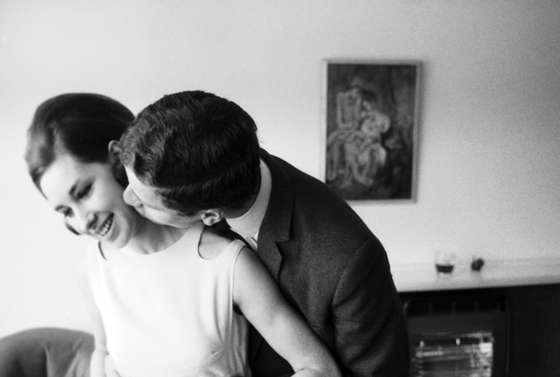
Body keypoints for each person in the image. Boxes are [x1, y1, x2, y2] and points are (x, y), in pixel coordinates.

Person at [24, 93, 341, 377]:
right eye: (65, 211)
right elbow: (104, 351)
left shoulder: (226, 263)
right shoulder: (92, 267)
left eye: (83, 192)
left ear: (119, 158)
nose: (83, 222)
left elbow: (317, 367)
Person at [116, 91, 410, 377]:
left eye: (145, 201)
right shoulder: (211, 174)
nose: (127, 198)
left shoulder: (347, 261)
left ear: (209, 215)